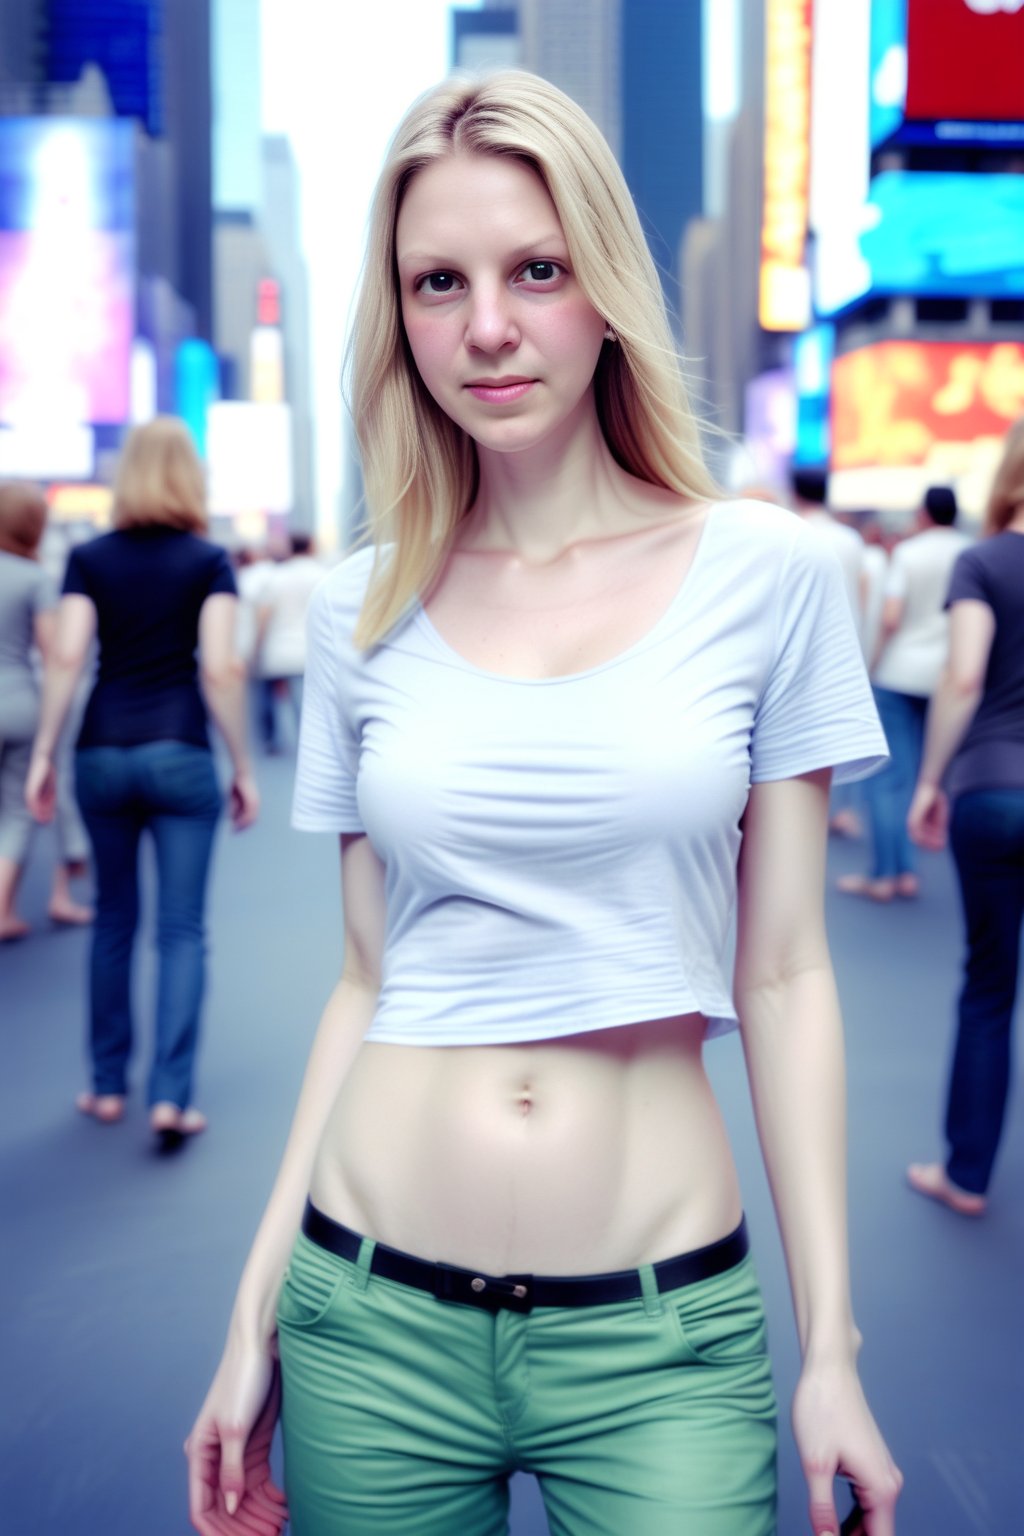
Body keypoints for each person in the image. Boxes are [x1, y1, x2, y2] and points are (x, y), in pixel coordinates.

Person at [186, 72, 901, 1536]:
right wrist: (252, 1312)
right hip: (368, 1322)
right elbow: (366, 984)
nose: (489, 327)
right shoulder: (354, 612)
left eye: (536, 270)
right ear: (398, 318)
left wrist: (831, 1346)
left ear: (607, 291)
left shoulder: (766, 576)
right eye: (438, 282)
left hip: (661, 1345)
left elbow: (785, 974)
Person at [25, 418, 259, 1138]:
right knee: (182, 929)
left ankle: (104, 1088)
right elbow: (219, 668)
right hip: (180, 751)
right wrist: (242, 764)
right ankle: (170, 1096)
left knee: (114, 923)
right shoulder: (208, 560)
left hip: (101, 752)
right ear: (192, 477)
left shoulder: (89, 558)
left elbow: (66, 660)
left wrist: (43, 754)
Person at [907, 423, 1024, 1216]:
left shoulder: (981, 561)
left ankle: (966, 1175)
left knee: (989, 987)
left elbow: (964, 675)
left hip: (993, 787)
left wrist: (930, 781)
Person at [839, 486, 971, 903]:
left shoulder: (910, 554)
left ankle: (884, 874)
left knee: (888, 779)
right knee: (922, 778)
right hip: (945, 675)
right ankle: (909, 872)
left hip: (898, 674)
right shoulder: (969, 552)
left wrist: (873, 662)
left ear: (925, 514)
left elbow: (891, 617)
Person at [0, 481, 59, 939]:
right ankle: (2, 909)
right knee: (18, 811)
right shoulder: (35, 578)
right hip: (19, 702)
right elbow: (54, 654)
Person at [252, 531, 323, 752]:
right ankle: (309, 740)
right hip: (311, 648)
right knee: (307, 699)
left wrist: (256, 646)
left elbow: (264, 615)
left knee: (268, 697)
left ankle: (271, 740)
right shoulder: (324, 574)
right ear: (311, 546)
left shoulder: (276, 577)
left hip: (277, 647)